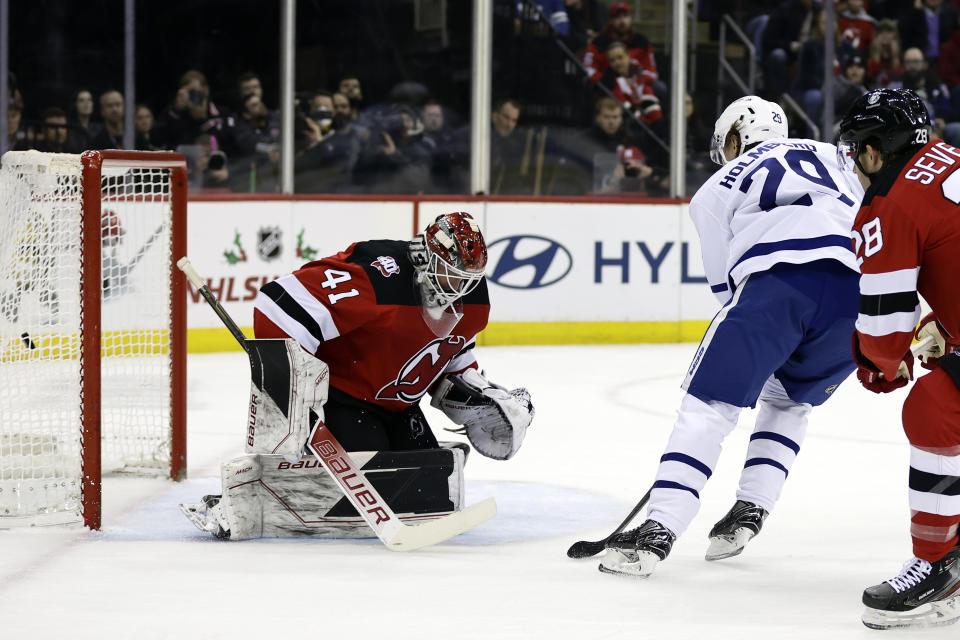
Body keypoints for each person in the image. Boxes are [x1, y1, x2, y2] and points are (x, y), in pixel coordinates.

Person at [599, 96, 865, 578]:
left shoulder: (716, 186)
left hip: (778, 285)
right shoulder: (836, 155)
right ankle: (751, 510)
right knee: (788, 401)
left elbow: (726, 284)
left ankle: (660, 526)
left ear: (737, 139)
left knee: (709, 403)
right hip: (858, 294)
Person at [180, 212, 534, 540]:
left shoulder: (474, 297)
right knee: (359, 485)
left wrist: (475, 391)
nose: (459, 286)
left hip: (399, 406)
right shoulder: (379, 277)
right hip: (344, 397)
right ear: (427, 256)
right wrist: (296, 390)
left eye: (468, 278)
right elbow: (278, 304)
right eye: (452, 273)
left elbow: (453, 350)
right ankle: (240, 499)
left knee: (430, 488)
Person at [836, 87, 960, 631]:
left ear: (874, 148)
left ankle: (939, 566)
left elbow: (884, 337)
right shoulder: (951, 157)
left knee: (932, 408)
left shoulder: (890, 203)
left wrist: (878, 365)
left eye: (857, 150)